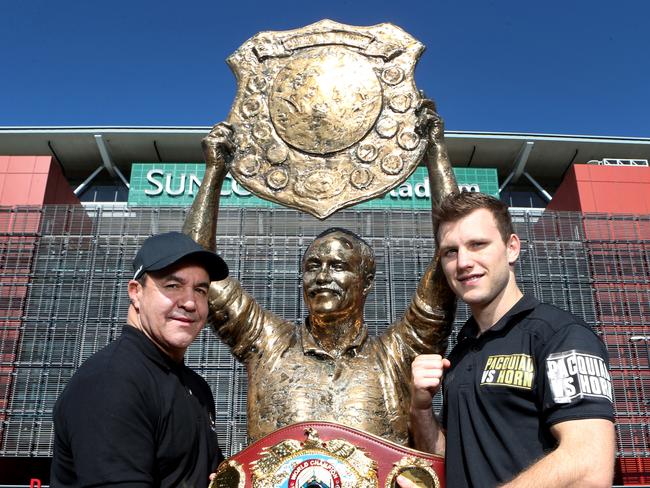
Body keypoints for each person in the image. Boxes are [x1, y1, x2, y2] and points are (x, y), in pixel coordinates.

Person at [181, 102, 458, 446]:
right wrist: (214, 171)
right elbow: (197, 269)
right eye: (312, 266)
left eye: (338, 266)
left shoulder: (398, 354)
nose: (322, 275)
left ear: (366, 281)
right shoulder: (267, 343)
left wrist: (435, 153)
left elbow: (452, 254)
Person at [407, 192, 616, 487]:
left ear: (511, 248)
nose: (463, 262)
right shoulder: (461, 350)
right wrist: (422, 409)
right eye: (450, 252)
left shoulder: (560, 336)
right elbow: (450, 458)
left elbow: (589, 466)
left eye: (477, 245)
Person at [51, 231, 229, 487]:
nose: (190, 303)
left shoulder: (197, 387)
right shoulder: (111, 381)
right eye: (173, 286)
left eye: (200, 290)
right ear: (136, 292)